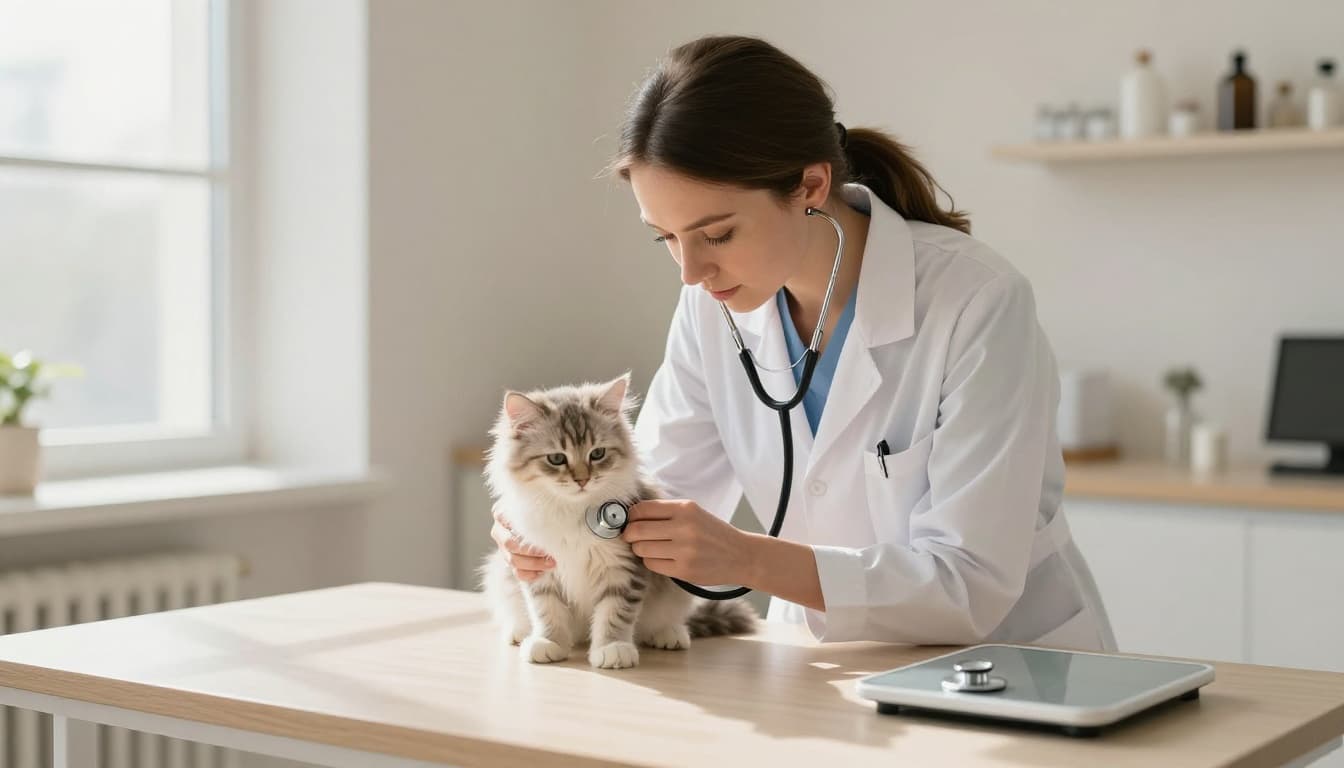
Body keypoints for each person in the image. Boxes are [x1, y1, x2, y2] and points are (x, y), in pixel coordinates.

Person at [493, 34, 1116, 650]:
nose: (690, 272)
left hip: (1002, 664)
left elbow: (969, 583)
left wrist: (747, 559)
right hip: (815, 661)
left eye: (718, 234)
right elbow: (652, 495)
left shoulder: (977, 301)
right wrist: (553, 527)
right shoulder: (713, 306)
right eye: (666, 238)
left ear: (811, 186)